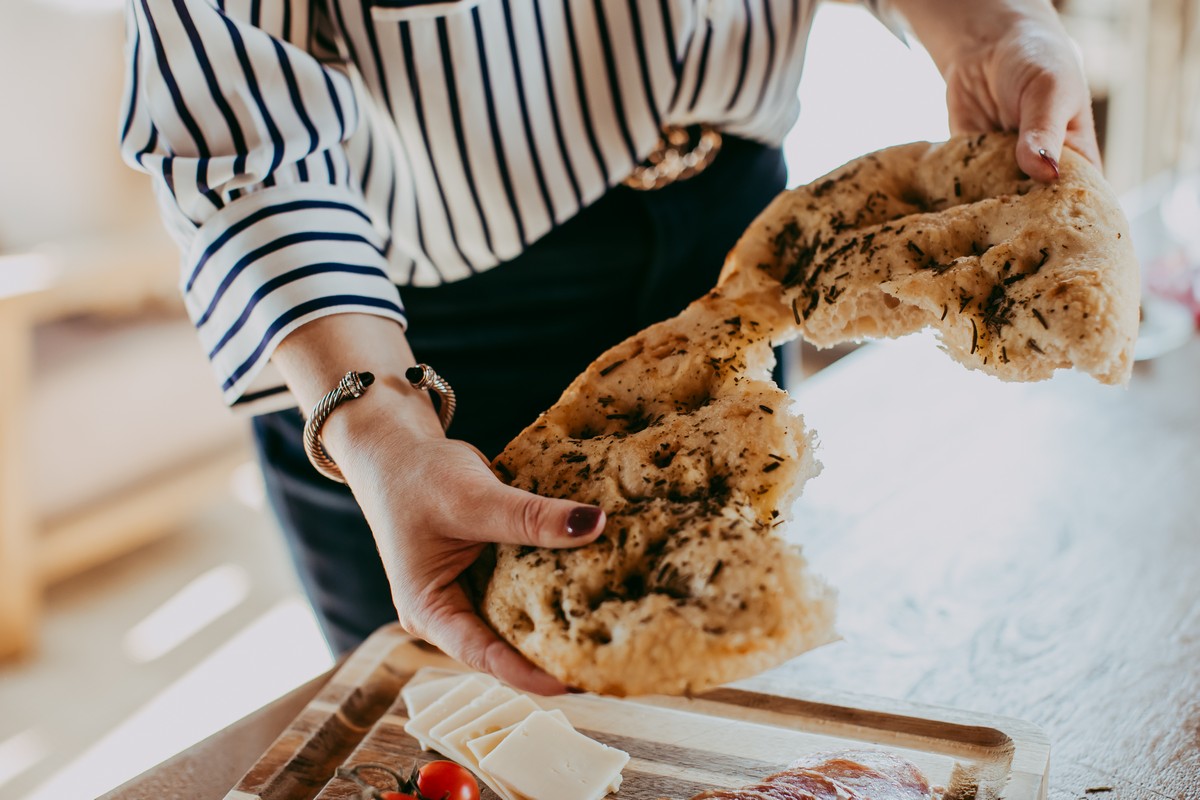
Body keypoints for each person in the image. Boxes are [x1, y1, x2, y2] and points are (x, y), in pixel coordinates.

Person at [121, 0, 1101, 695]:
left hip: (742, 239)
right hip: (404, 336)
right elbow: (233, 130)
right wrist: (379, 427)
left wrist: (988, 24)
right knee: (467, 733)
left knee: (723, 723)